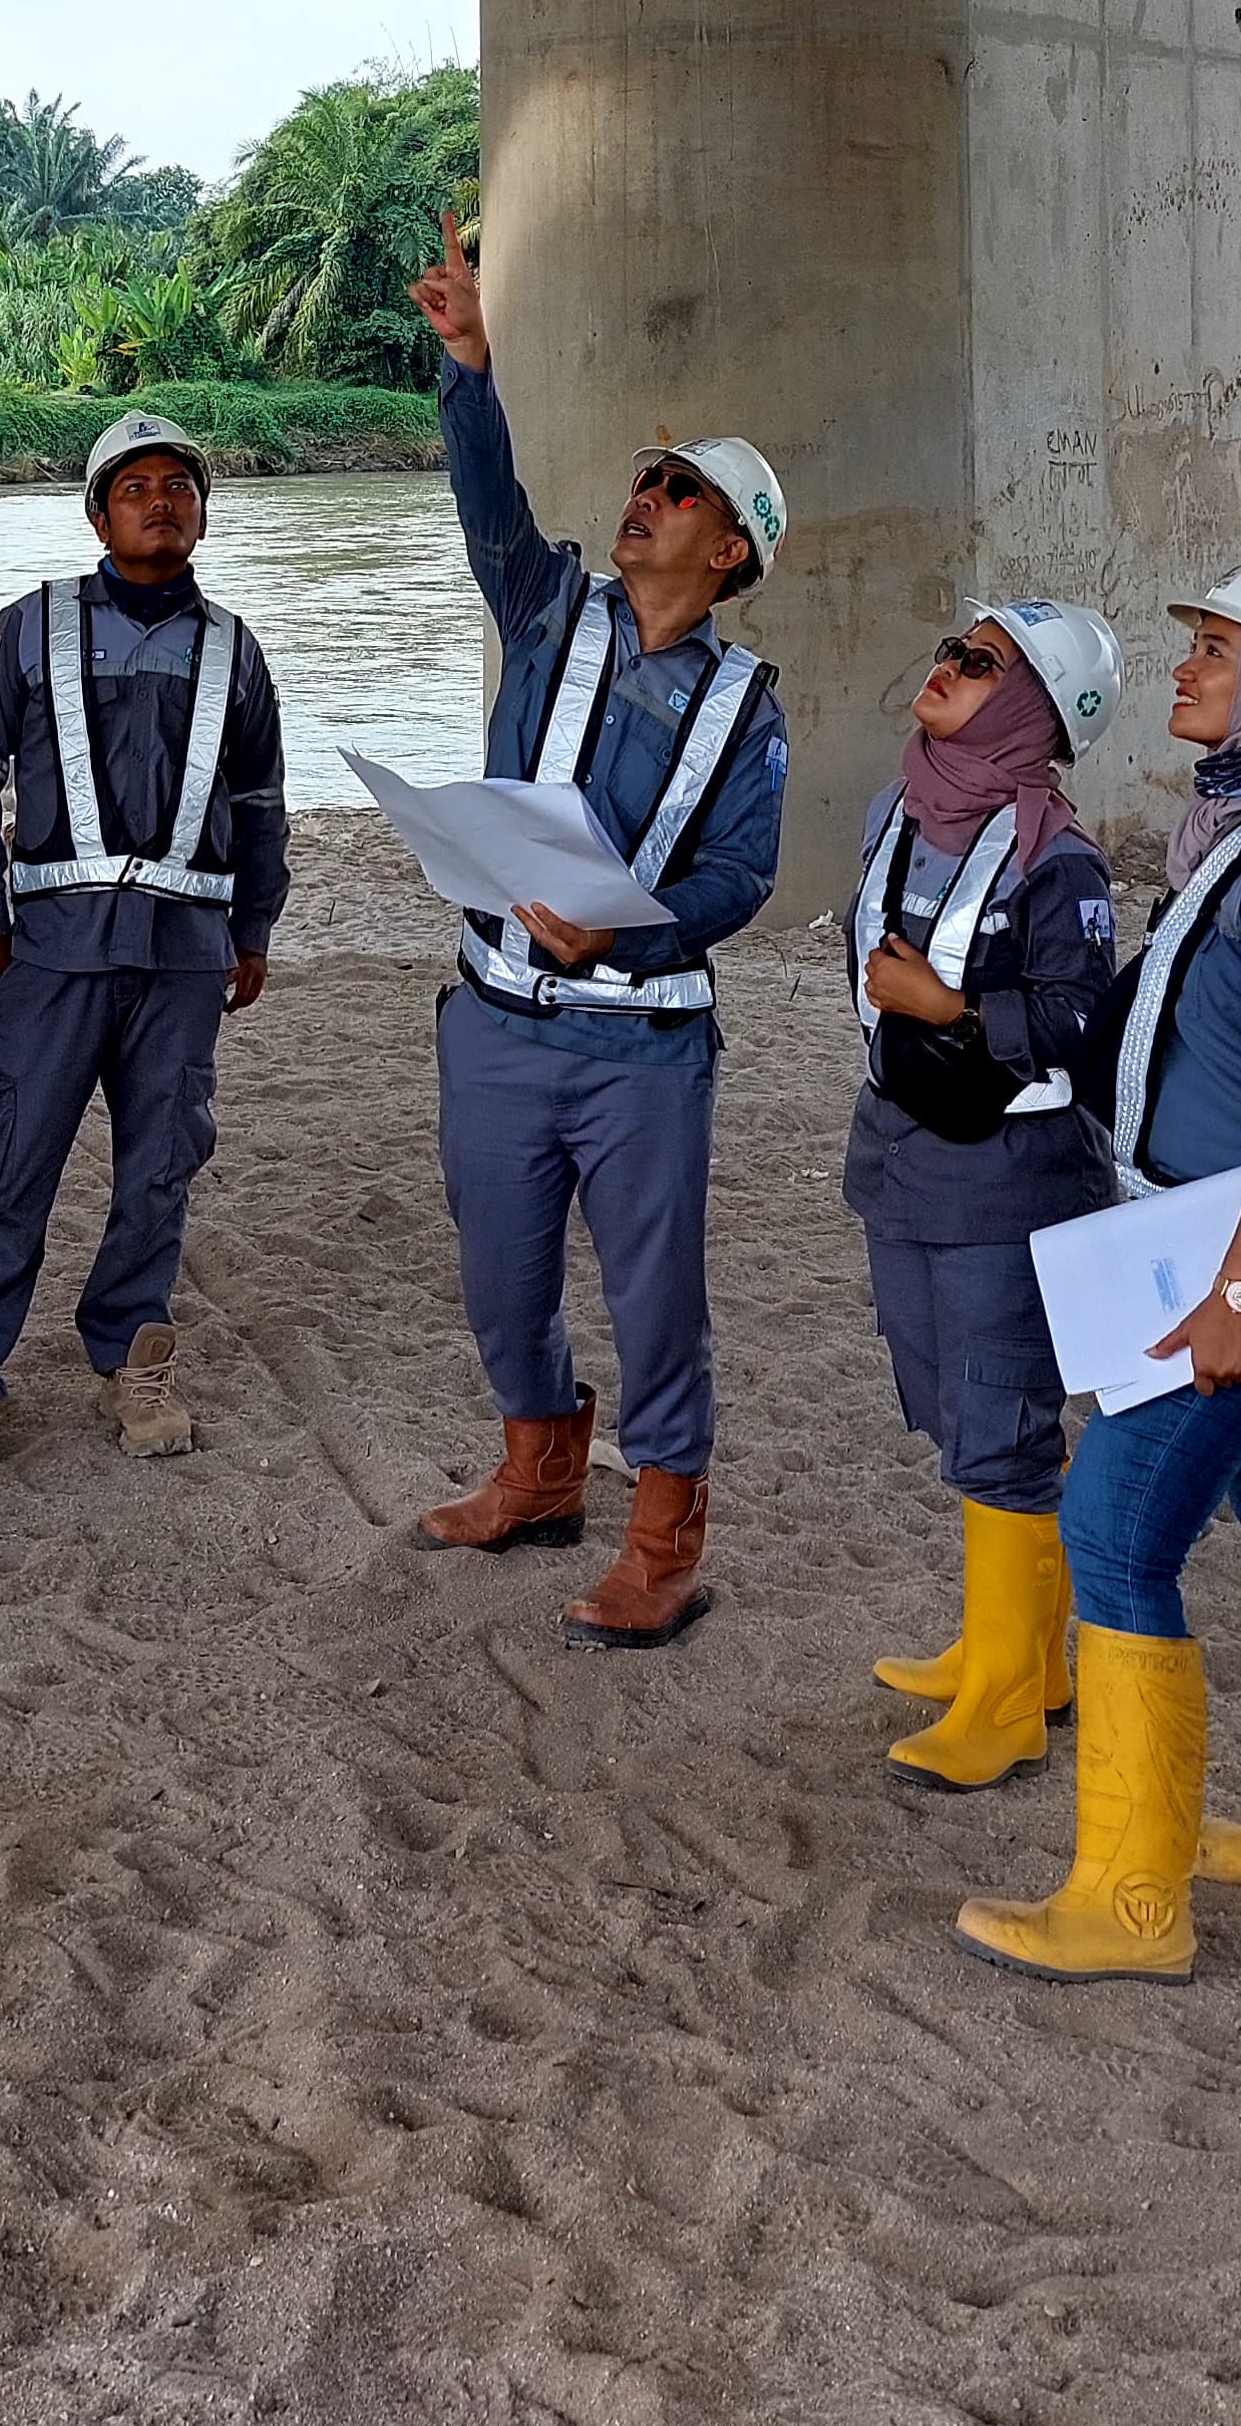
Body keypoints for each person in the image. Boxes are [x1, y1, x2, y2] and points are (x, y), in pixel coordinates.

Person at [958, 549, 1241, 1985]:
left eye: (1215, 646)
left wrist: (1232, 1296)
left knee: (1110, 1533)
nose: (1186, 667)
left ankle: (1129, 1903)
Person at [405, 210, 789, 1652]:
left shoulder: (749, 704)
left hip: (643, 1057)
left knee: (654, 1298)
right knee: (500, 1269)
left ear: (734, 549)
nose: (645, 498)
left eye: (678, 492)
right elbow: (485, 498)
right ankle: (539, 1468)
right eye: (645, 478)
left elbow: (742, 880)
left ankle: (664, 1538)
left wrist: (624, 939)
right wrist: (467, 364)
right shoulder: (548, 604)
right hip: (496, 1022)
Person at [0, 409, 286, 1480]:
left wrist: (251, 926)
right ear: (96, 514)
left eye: (179, 485)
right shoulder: (29, 627)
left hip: (183, 955)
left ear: (203, 516)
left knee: (160, 1164)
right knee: (14, 1160)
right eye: (136, 487)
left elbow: (260, 802)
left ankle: (133, 1352)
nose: (161, 501)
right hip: (56, 950)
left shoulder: (234, 647)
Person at [850, 593, 1124, 1787]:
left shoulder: (1059, 858)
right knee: (952, 1403)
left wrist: (954, 1011)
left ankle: (1012, 1700)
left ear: (1029, 707)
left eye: (980, 662)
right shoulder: (898, 812)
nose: (947, 667)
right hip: (903, 1153)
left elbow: (1083, 1024)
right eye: (952, 647)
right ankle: (1015, 1648)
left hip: (1010, 1172)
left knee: (1002, 1419)